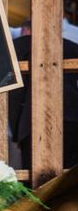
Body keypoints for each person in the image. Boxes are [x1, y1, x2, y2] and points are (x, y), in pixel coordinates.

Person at [8, 21, 78, 172]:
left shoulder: (18, 46)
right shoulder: (72, 47)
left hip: (33, 121)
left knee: (37, 180)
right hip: (73, 119)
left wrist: (17, 131)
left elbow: (15, 95)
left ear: (27, 30)